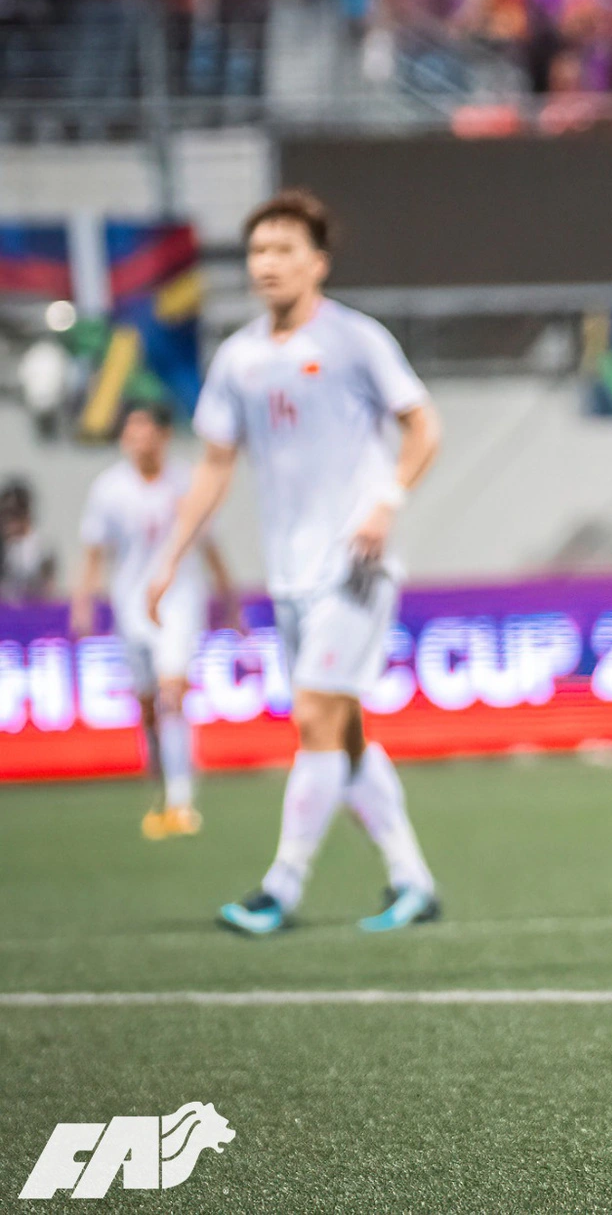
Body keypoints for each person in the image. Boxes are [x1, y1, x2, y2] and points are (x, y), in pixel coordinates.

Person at [148, 189, 444, 936]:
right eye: (256, 251)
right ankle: (412, 879)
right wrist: (168, 556)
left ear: (317, 262)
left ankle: (280, 888)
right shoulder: (239, 358)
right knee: (341, 732)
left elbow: (423, 427)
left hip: (356, 564)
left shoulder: (355, 339)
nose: (267, 264)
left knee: (313, 714)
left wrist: (386, 501)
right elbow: (215, 465)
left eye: (283, 250)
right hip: (288, 573)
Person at [71, 402, 238, 839]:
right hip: (131, 605)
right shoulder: (109, 488)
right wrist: (83, 602)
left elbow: (211, 545)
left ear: (163, 436)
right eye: (131, 430)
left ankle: (181, 800)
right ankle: (163, 777)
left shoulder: (186, 483)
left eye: (144, 429)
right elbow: (95, 551)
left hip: (179, 600)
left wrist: (229, 600)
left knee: (172, 692)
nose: (136, 438)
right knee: (147, 704)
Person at [0, 477, 57, 603]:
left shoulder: (43, 548)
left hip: (31, 613)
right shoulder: (4, 547)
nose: (8, 522)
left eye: (14, 515)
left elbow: (48, 588)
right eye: (5, 515)